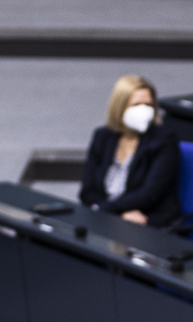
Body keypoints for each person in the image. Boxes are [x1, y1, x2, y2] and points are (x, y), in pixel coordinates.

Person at [77, 73, 180, 228]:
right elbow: (87, 190)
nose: (144, 111)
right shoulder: (103, 137)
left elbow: (148, 195)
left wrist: (104, 210)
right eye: (136, 105)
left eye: (149, 105)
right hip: (110, 218)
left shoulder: (164, 141)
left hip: (147, 221)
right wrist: (116, 213)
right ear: (120, 107)